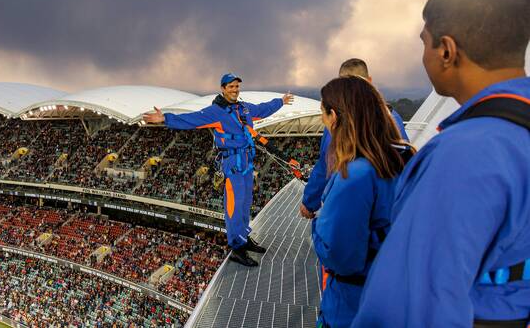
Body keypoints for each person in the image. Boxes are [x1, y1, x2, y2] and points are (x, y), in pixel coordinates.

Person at [352, 0, 530, 327]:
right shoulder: (513, 133)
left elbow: (406, 309)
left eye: (425, 42)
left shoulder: (464, 155)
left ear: (447, 50)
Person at [143, 73, 293, 266]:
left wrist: (280, 101)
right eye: (231, 87)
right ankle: (237, 248)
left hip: (246, 161)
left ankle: (244, 238)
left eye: (237, 86)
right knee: (234, 206)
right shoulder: (216, 112)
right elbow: (192, 119)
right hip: (232, 164)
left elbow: (263, 109)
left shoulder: (243, 108)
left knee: (245, 203)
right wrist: (165, 118)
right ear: (223, 88)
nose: (235, 90)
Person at [312, 76, 411, 328]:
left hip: (354, 305)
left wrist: (316, 227)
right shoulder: (404, 157)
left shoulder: (355, 176)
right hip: (396, 296)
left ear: (334, 117)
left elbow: (342, 258)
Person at [300, 58, 409, 219]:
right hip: (389, 210)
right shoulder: (393, 117)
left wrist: (309, 202)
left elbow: (326, 166)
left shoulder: (336, 124)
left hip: (349, 209)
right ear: (369, 81)